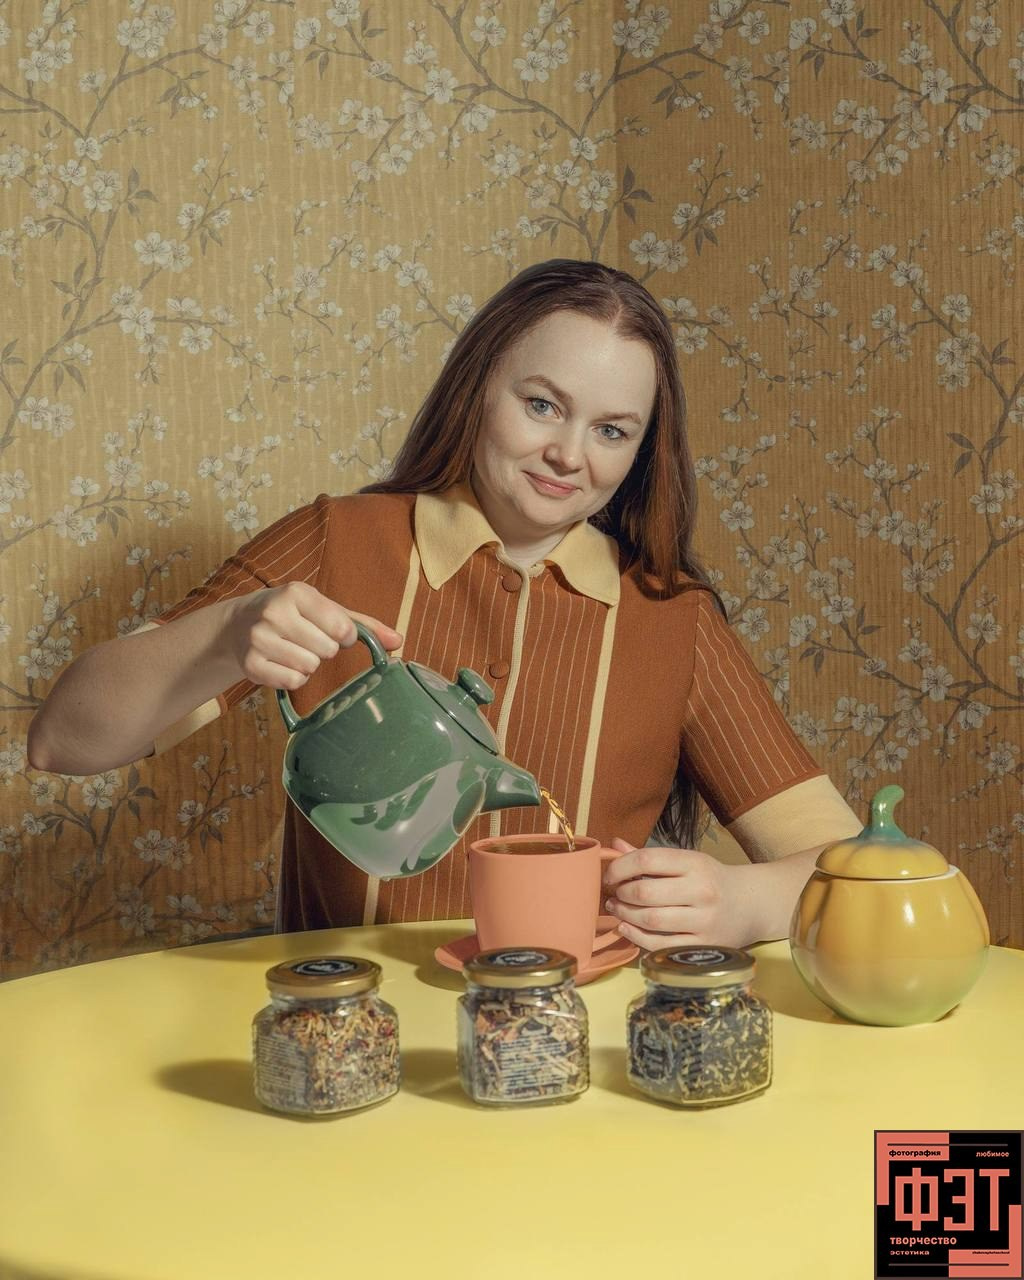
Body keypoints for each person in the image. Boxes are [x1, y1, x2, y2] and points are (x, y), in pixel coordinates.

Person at [27, 259, 862, 950]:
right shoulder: (333, 542)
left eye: (612, 431)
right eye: (542, 405)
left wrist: (743, 903)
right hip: (347, 1042)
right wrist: (225, 632)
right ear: (478, 388)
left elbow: (865, 872)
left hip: (576, 1053)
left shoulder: (673, 619)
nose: (568, 455)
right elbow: (63, 740)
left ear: (642, 452)